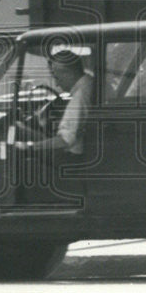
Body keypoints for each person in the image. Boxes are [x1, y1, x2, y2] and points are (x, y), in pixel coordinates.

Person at [12, 50, 93, 205]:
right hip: (82, 151)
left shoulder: (80, 96)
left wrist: (30, 147)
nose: (56, 83)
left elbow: (65, 140)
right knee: (20, 129)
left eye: (56, 77)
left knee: (16, 130)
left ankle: (20, 199)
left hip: (70, 158)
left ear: (67, 72)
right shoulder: (89, 83)